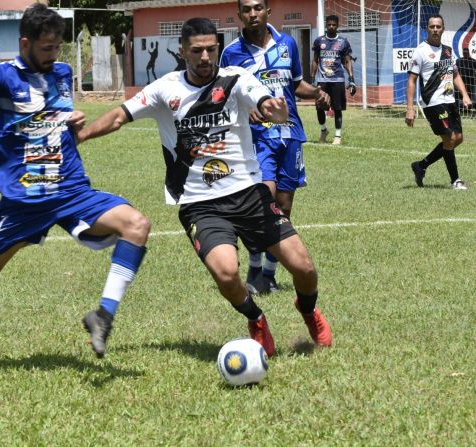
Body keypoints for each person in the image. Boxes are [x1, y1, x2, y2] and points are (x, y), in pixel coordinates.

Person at [76, 18, 332, 357]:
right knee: (227, 274)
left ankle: (308, 309)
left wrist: (275, 110)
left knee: (305, 268)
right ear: (182, 51)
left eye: (211, 49)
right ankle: (256, 318)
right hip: (201, 203)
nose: (205, 57)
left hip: (250, 194)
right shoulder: (164, 89)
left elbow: (265, 102)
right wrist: (81, 135)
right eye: (197, 51)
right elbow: (119, 116)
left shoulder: (235, 79)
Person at [0, 4, 150, 358]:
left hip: (70, 190)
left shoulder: (62, 73)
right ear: (25, 43)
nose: (53, 56)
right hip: (23, 199)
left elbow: (53, 114)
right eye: (46, 48)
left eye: (57, 47)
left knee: (137, 225)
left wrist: (70, 120)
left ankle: (102, 316)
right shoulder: (3, 77)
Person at [220, 0, 330, 295]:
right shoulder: (231, 53)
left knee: (284, 206)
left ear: (268, 11)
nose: (253, 14)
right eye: (247, 9)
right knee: (262, 201)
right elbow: (224, 96)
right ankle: (254, 265)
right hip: (255, 137)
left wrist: (318, 93)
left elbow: (295, 84)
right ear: (239, 15)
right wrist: (245, 108)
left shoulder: (288, 43)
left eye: (258, 8)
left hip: (290, 133)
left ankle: (268, 273)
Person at [407, 14, 471, 191]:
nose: (435, 29)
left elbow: (455, 74)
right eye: (432, 27)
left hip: (450, 100)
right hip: (433, 102)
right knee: (449, 138)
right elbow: (411, 80)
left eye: (438, 26)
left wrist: (464, 95)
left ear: (443, 28)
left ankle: (421, 165)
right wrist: (410, 108)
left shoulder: (448, 51)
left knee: (458, 138)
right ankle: (456, 180)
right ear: (427, 29)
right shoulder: (420, 51)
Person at [311, 14, 355, 145]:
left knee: (337, 108)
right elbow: (315, 60)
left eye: (333, 25)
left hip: (337, 80)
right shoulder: (319, 41)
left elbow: (347, 61)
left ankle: (337, 136)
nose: (331, 26)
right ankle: (323, 130)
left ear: (337, 26)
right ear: (326, 25)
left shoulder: (343, 42)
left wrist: (351, 79)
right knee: (319, 107)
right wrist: (312, 78)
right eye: (329, 24)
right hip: (322, 80)